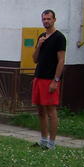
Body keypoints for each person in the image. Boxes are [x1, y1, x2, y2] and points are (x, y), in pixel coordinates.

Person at [32, 9, 66, 150]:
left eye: (48, 19)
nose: (46, 21)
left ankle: (52, 143)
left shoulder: (59, 37)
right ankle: (43, 140)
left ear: (54, 20)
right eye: (44, 19)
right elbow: (35, 59)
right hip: (39, 77)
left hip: (50, 79)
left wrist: (55, 80)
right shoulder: (41, 36)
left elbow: (61, 60)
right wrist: (39, 45)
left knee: (51, 112)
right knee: (40, 111)